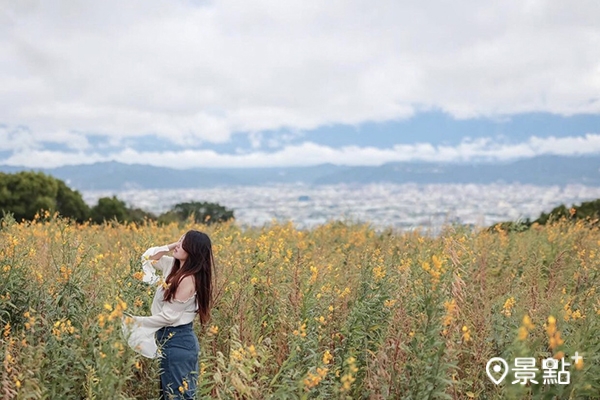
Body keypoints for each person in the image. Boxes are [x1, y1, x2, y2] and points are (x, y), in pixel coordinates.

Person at [123, 230, 214, 400]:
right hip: (169, 339)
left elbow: (169, 317)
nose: (178, 244)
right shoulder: (173, 266)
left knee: (177, 396)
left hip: (177, 341)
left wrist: (135, 322)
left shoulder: (188, 279)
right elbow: (147, 258)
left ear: (193, 250)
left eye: (184, 243)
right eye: (179, 240)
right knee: (170, 395)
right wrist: (173, 245)